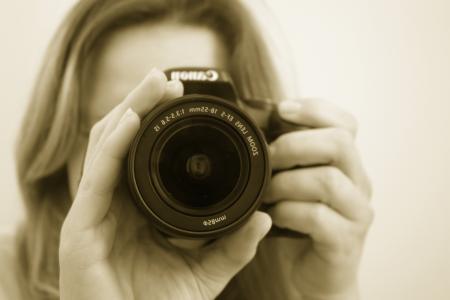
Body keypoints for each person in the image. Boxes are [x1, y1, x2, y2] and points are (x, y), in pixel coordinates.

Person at [0, 0, 373, 299]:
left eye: (205, 132)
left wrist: (321, 294)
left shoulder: (294, 271)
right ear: (60, 143)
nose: (176, 162)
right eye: (128, 127)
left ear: (261, 141)